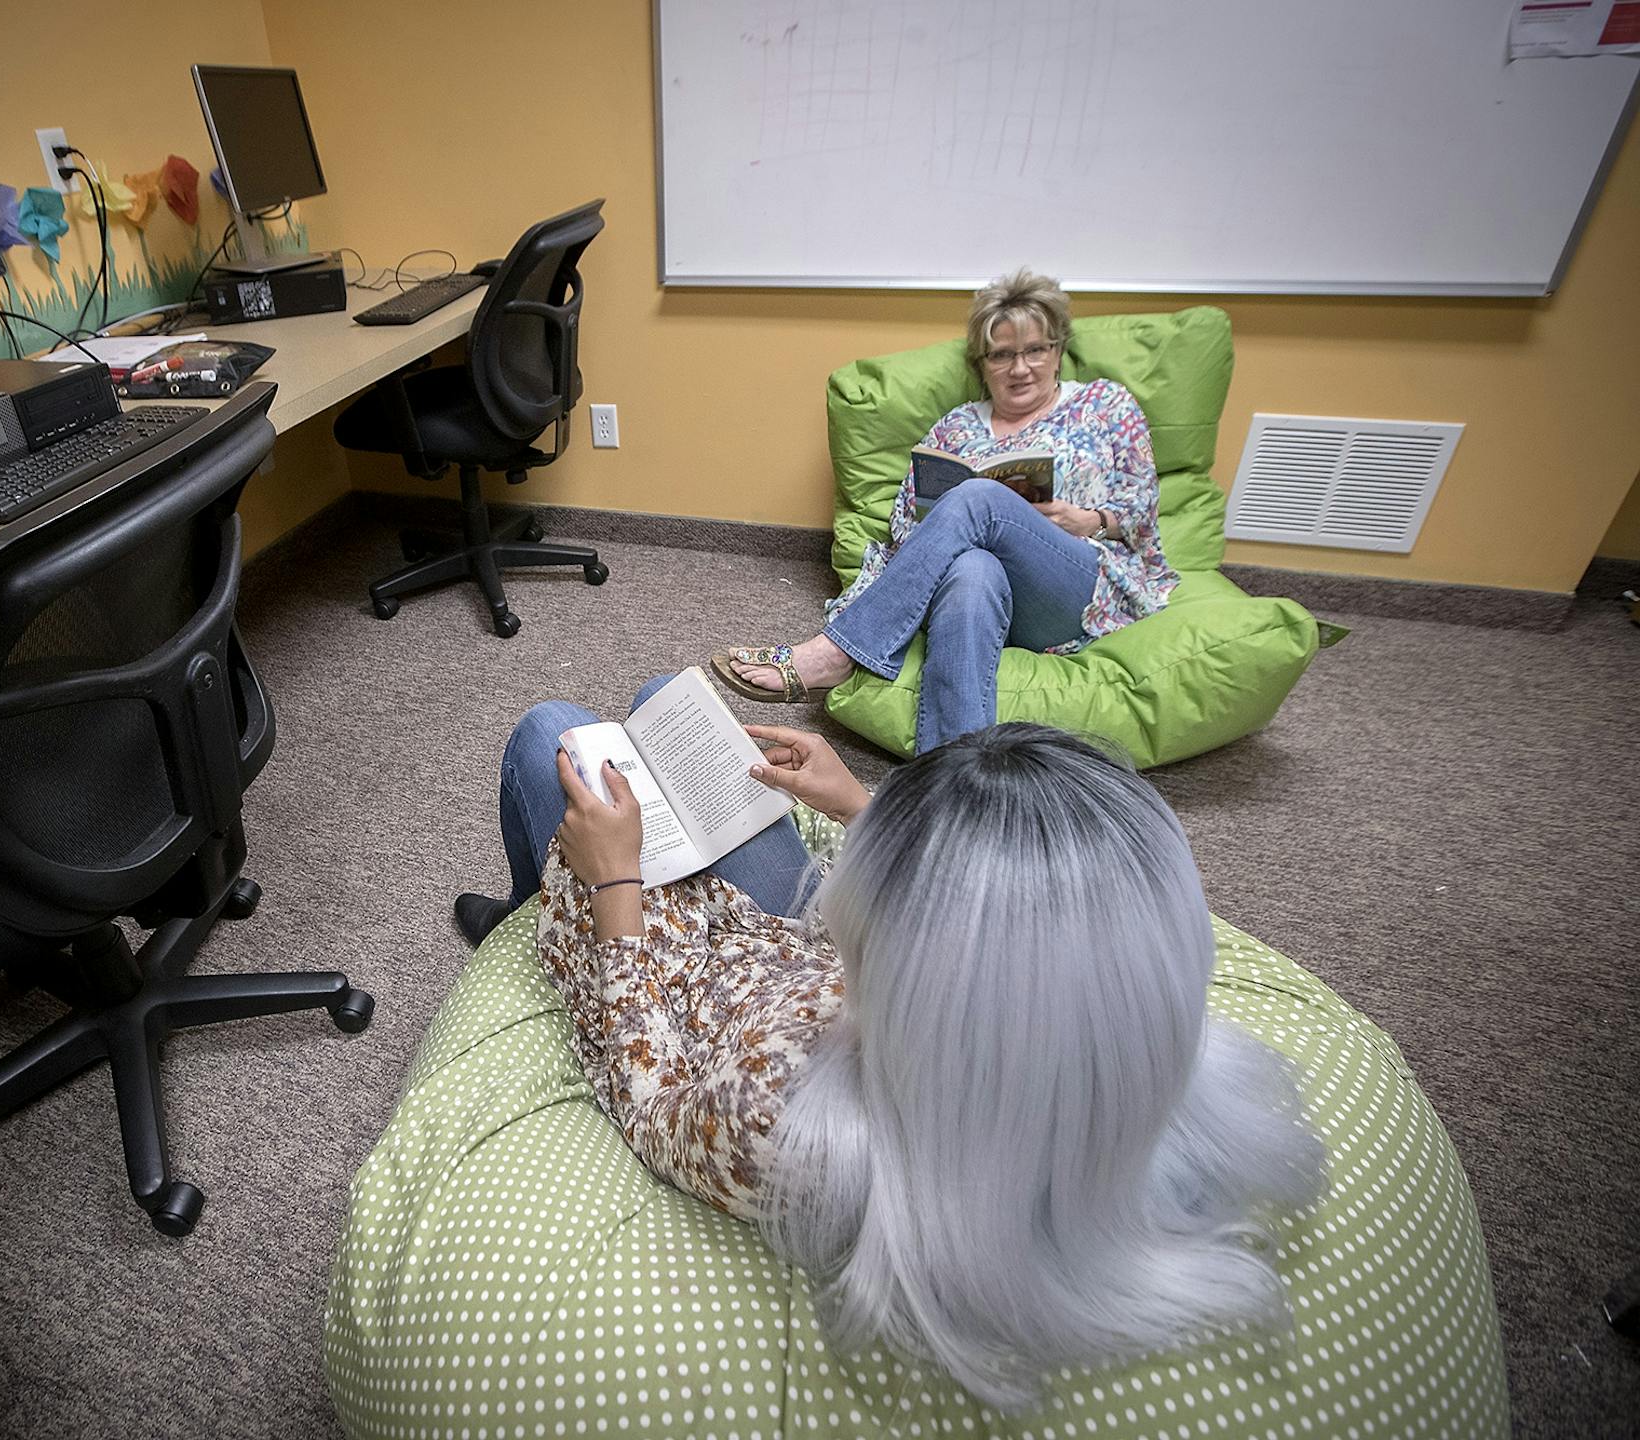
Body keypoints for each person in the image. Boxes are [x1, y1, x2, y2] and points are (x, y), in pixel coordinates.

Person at [464, 706, 1324, 1411]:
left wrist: (613, 882)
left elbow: (652, 1107)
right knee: (679, 707)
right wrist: (863, 808)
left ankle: (519, 910)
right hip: (774, 944)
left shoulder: (789, 1124)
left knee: (554, 736)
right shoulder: (1102, 1053)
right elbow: (1005, 930)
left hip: (673, 966)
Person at [716, 269, 1178, 754]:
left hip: (1071, 583)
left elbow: (1139, 509)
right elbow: (903, 525)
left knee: (979, 498)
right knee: (972, 569)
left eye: (1035, 350)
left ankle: (837, 650)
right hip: (981, 587)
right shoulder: (955, 427)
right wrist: (945, 523)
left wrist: (1088, 520)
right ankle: (949, 779)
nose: (1020, 368)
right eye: (1002, 354)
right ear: (982, 363)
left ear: (1058, 350)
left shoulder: (1104, 404)